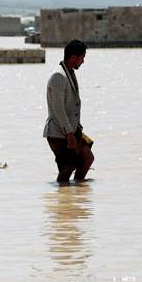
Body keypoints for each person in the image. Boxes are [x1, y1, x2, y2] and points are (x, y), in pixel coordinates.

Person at [43, 39, 94, 182]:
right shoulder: (58, 76)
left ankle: (76, 192)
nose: (83, 61)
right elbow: (58, 109)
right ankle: (62, 197)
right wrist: (69, 133)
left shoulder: (69, 72)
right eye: (82, 58)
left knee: (87, 158)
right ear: (73, 58)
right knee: (68, 166)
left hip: (72, 130)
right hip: (59, 132)